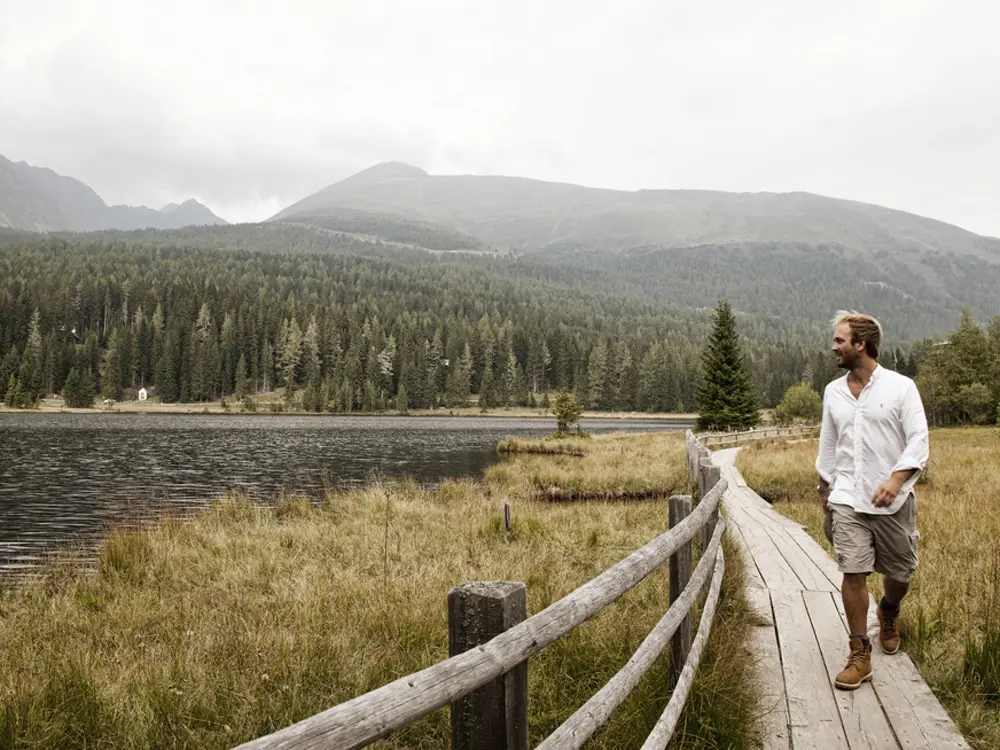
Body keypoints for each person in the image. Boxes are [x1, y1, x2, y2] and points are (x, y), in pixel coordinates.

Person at [815, 311, 929, 691]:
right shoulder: (833, 391)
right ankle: (859, 653)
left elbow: (918, 441)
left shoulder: (901, 388)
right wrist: (826, 486)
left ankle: (890, 610)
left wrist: (897, 480)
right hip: (847, 497)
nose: (834, 347)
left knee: (900, 574)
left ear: (861, 344)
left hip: (893, 503)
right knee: (853, 571)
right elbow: (829, 445)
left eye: (839, 341)